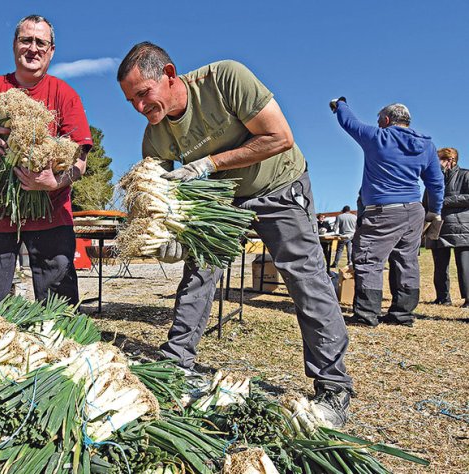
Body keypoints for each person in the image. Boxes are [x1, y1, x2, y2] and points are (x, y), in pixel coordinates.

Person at [117, 42, 352, 427]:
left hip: (278, 185)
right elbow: (161, 194)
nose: (141, 107)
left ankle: (333, 386)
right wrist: (169, 235)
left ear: (170, 74)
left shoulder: (225, 79)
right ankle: (176, 364)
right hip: (224, 204)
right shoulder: (155, 135)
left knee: (305, 279)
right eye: (131, 101)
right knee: (198, 275)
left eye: (144, 94)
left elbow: (279, 137)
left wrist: (207, 165)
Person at [0, 15, 92, 316]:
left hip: (53, 216)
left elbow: (81, 160)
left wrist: (53, 182)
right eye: (25, 40)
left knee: (61, 309)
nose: (33, 48)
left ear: (51, 50)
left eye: (40, 42)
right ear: (14, 45)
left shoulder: (64, 95)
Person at [331, 98, 444, 327]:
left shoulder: (378, 137)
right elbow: (436, 182)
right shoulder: (427, 146)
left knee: (368, 259)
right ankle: (402, 315)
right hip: (414, 211)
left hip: (383, 211)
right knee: (407, 260)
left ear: (385, 120)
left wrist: (340, 103)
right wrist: (436, 211)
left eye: (379, 121)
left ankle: (366, 315)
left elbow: (348, 121)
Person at [425, 147, 469, 307]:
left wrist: (445, 201)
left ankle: (468, 299)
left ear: (450, 160)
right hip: (438, 225)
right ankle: (443, 297)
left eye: (440, 161)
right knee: (440, 265)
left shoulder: (466, 175)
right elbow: (426, 202)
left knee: (464, 265)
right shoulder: (434, 179)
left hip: (461, 226)